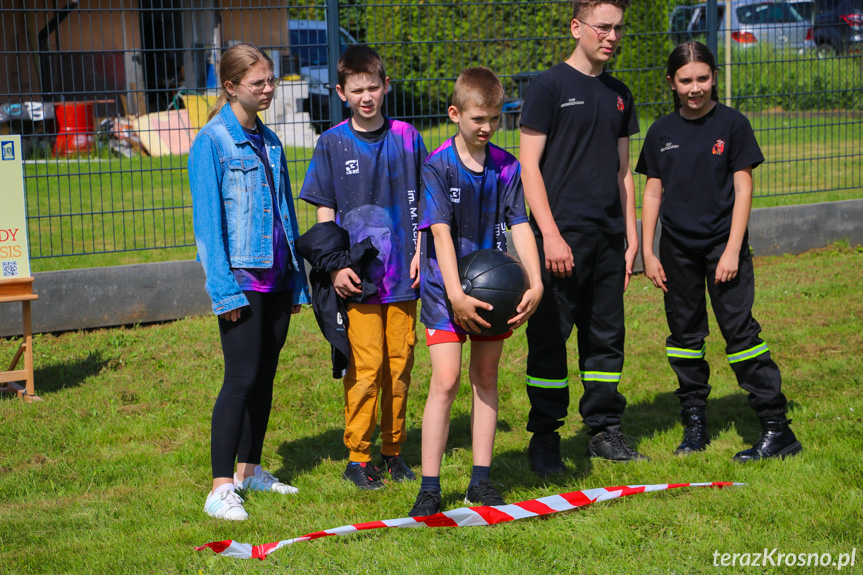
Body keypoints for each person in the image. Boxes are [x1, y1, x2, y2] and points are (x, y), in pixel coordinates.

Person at [636, 41, 802, 462]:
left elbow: (744, 187)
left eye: (703, 78)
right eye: (686, 80)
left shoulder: (733, 124)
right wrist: (649, 252)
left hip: (722, 249)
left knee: (740, 334)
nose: (696, 88)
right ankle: (695, 424)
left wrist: (731, 250)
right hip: (675, 250)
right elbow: (653, 192)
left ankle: (775, 426)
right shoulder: (660, 132)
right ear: (672, 83)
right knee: (685, 338)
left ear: (714, 77)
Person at [519, 0, 647, 476]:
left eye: (618, 28)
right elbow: (528, 165)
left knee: (606, 338)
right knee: (550, 337)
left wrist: (630, 236)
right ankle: (545, 436)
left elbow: (623, 170)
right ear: (577, 27)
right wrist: (549, 235)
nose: (611, 36)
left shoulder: (619, 92)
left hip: (610, 238)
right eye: (602, 27)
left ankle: (604, 429)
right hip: (560, 237)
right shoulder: (548, 86)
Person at [408, 67, 543, 517]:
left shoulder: (508, 166)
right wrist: (456, 295)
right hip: (445, 290)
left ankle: (480, 483)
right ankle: (430, 487)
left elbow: (519, 223)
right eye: (477, 119)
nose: (486, 127)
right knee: (445, 381)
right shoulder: (437, 165)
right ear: (455, 114)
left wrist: (535, 279)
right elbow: (440, 235)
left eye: (495, 118)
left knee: (485, 377)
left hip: (494, 289)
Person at [189, 43, 310, 520]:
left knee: (265, 377)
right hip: (242, 281)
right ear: (231, 85)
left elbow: (286, 217)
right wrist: (224, 290)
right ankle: (220, 488)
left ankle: (250, 470)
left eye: (270, 80)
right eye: (257, 82)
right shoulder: (212, 143)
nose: (267, 90)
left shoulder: (272, 142)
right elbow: (208, 228)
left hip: (279, 278)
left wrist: (296, 282)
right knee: (239, 377)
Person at [299, 45, 427, 490]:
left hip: (403, 278)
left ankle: (393, 452)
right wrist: (335, 268)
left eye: (374, 87)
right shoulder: (331, 143)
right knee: (366, 367)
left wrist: (420, 252)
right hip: (358, 281)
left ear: (386, 86)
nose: (367, 96)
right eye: (357, 90)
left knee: (400, 364)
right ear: (341, 93)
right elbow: (324, 214)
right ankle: (358, 455)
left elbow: (426, 205)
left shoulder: (409, 138)